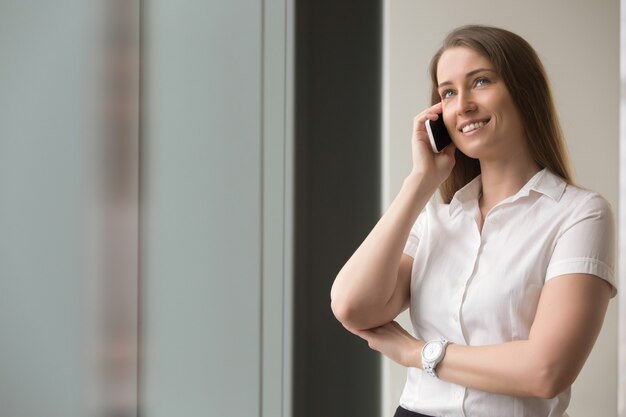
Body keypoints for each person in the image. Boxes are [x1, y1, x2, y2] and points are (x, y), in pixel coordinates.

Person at [330, 25, 616, 417]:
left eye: (480, 81)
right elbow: (351, 306)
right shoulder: (434, 218)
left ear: (523, 90)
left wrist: (418, 353)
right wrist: (420, 183)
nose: (462, 104)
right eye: (448, 92)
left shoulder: (580, 215)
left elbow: (546, 371)